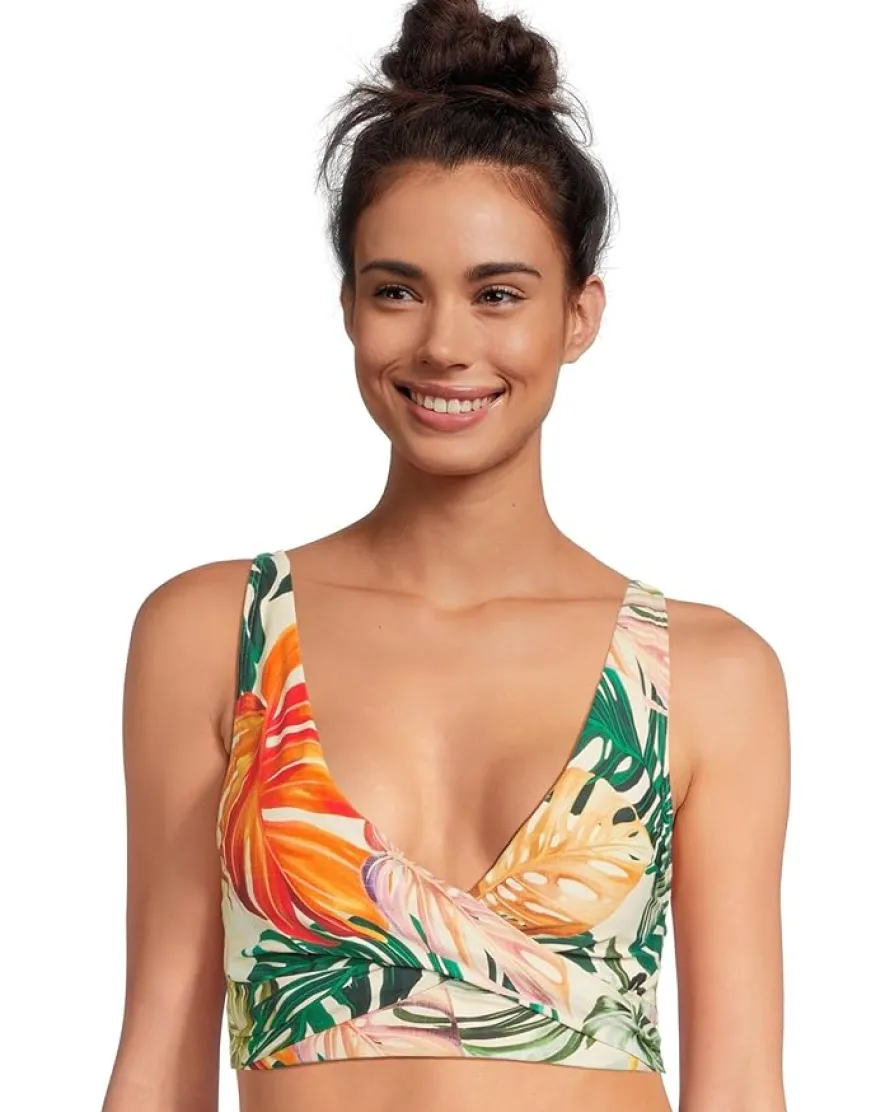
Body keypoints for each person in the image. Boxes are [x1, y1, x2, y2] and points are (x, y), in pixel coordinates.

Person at [102, 1, 790, 1110]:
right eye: (397, 290)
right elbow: (155, 1061)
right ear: (348, 307)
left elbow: (743, 1087)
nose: (444, 345)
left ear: (579, 315)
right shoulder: (213, 632)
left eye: (498, 293)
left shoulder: (707, 672)